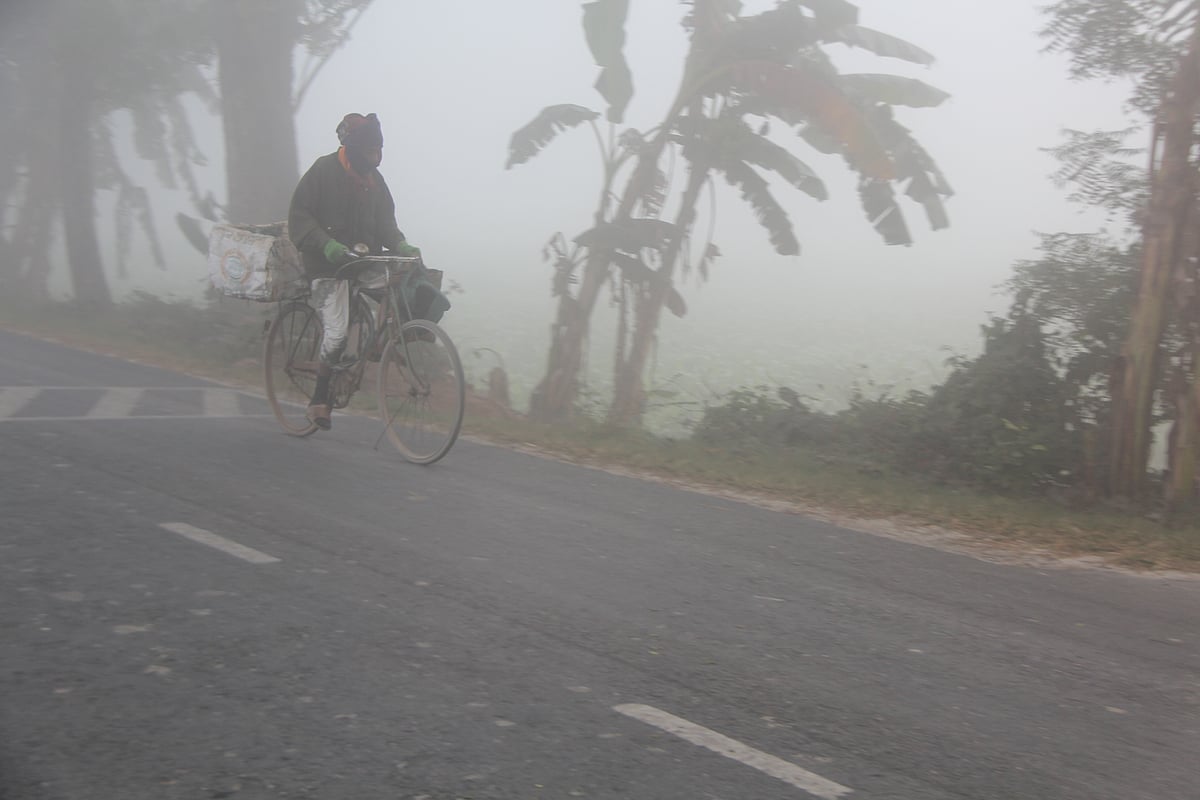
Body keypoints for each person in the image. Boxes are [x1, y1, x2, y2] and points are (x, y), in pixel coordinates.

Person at [288, 112, 426, 431]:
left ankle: (379, 345)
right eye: (370, 152)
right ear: (352, 148)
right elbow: (300, 216)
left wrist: (401, 245)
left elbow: (387, 224)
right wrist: (326, 245)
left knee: (399, 284)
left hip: (362, 264)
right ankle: (318, 400)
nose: (375, 159)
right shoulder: (323, 171)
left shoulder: (375, 181)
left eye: (379, 152)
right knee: (335, 334)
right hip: (326, 267)